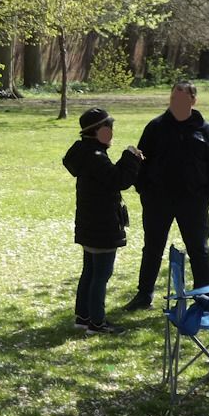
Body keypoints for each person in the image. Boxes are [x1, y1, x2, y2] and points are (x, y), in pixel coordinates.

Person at [123, 80, 209, 311]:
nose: (176, 103)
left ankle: (205, 297)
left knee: (199, 249)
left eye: (182, 99)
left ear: (193, 100)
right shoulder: (155, 127)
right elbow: (140, 161)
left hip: (193, 200)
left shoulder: (205, 130)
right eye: (173, 99)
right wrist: (144, 189)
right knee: (152, 248)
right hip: (158, 199)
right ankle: (144, 295)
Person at [62, 107, 143, 335]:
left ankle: (83, 316)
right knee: (101, 275)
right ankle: (96, 323)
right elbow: (119, 180)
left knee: (89, 271)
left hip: (89, 224)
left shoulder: (85, 152)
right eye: (109, 129)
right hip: (102, 226)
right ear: (99, 132)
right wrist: (131, 157)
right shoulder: (96, 157)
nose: (112, 134)